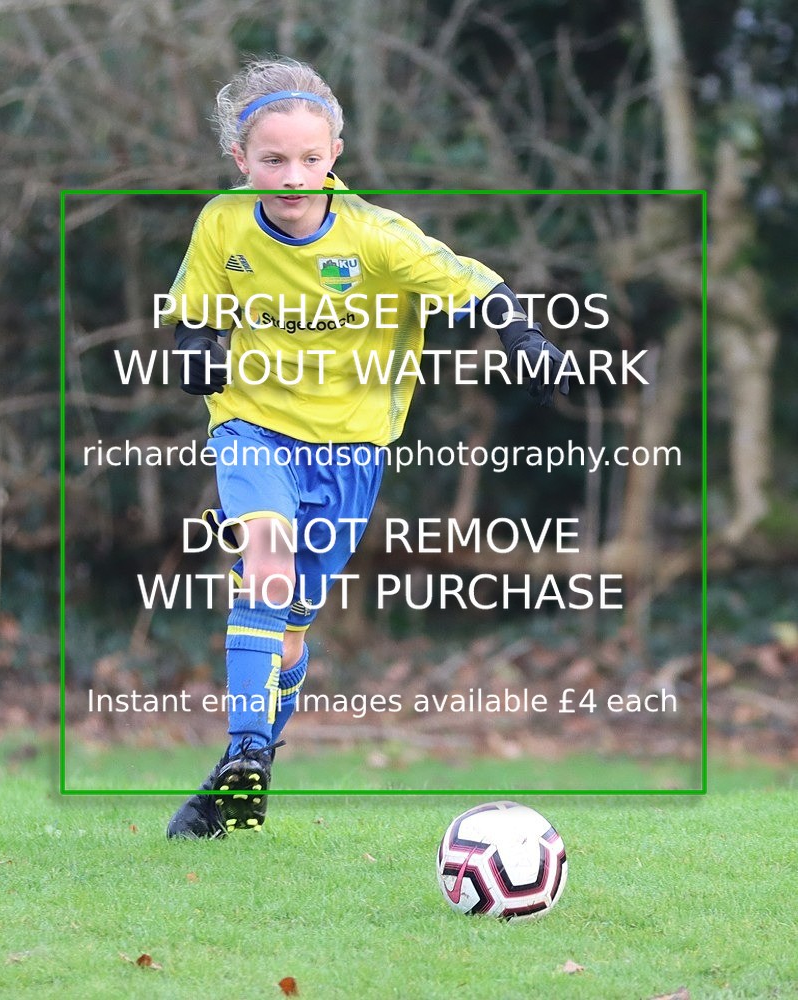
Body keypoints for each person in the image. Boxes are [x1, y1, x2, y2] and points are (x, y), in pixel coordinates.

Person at [164, 56, 568, 839]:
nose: (291, 176)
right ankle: (244, 747)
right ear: (240, 160)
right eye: (272, 159)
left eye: (309, 160)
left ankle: (243, 776)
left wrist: (519, 333)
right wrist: (194, 348)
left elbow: (474, 283)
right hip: (253, 428)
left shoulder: (376, 238)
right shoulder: (221, 222)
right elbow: (195, 311)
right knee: (266, 566)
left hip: (351, 455)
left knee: (288, 628)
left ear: (335, 157)